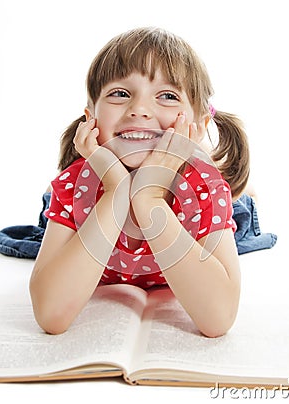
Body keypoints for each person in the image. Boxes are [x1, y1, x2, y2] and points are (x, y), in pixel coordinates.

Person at [29, 27, 250, 338]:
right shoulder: (75, 185)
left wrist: (150, 200)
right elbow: (51, 315)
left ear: (198, 126)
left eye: (168, 96)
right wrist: (117, 192)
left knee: (243, 210)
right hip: (92, 191)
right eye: (120, 93)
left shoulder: (205, 191)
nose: (139, 110)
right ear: (90, 117)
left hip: (192, 197)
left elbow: (218, 320)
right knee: (47, 216)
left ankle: (238, 188)